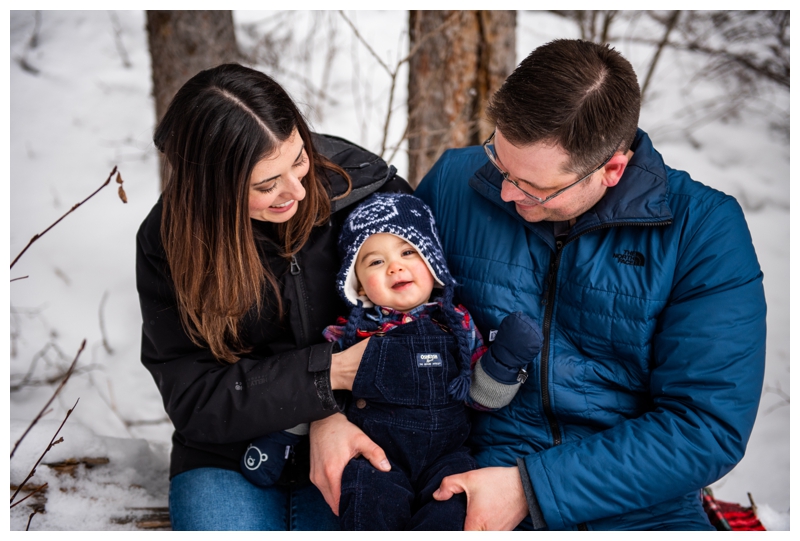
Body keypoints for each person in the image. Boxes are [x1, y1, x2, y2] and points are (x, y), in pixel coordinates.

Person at [311, 39, 767, 531]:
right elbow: (361, 302)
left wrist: (531, 487)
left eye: (533, 187)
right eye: (500, 162)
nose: (505, 191)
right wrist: (322, 412)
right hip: (465, 474)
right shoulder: (454, 182)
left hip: (639, 505)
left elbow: (705, 428)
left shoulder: (703, 230)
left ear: (612, 169)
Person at [136, 63, 413, 531]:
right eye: (267, 185)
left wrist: (330, 410)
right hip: (230, 452)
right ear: (211, 191)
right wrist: (327, 376)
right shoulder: (170, 239)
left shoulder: (367, 190)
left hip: (364, 432)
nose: (299, 191)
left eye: (300, 159)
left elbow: (427, 327)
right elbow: (195, 397)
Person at [243, 192, 543, 530]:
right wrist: (278, 441)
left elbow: (480, 397)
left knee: (454, 509)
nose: (395, 266)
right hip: (375, 457)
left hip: (446, 458)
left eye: (408, 252)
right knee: (370, 506)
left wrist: (505, 358)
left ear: (433, 261)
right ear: (358, 285)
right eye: (374, 262)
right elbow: (317, 392)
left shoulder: (457, 324)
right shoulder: (349, 334)